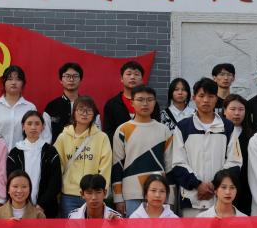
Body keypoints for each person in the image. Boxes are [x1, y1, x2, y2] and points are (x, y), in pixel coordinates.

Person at [169, 78, 242, 217]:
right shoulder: (183, 127)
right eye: (201, 96)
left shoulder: (227, 127)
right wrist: (197, 185)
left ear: (216, 99)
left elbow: (235, 162)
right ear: (194, 98)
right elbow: (178, 163)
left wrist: (215, 184)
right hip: (191, 199)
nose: (206, 100)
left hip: (220, 199)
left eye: (210, 96)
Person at [111, 86, 173, 217]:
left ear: (155, 102)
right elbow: (117, 166)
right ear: (132, 103)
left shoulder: (164, 130)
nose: (145, 103)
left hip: (158, 193)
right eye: (140, 100)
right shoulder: (123, 130)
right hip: (131, 193)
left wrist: (170, 197)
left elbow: (170, 166)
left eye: (149, 100)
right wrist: (118, 197)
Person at [54, 95, 112, 217]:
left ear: (94, 114)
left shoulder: (102, 137)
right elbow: (57, 167)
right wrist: (57, 191)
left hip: (93, 194)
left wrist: (100, 192)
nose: (84, 113)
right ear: (74, 113)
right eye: (80, 109)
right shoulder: (63, 137)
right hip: (69, 195)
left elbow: (105, 167)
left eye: (89, 110)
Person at [6, 110, 62, 218]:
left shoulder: (51, 151)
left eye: (37, 123)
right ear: (23, 126)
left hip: (46, 209)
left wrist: (41, 205)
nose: (33, 127)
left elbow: (55, 182)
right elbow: (10, 180)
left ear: (43, 127)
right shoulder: (15, 153)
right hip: (18, 208)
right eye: (29, 123)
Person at [0, 65, 50, 148]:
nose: (14, 82)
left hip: (23, 153)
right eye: (10, 79)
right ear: (4, 82)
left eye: (18, 79)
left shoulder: (30, 107)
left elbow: (36, 134)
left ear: (23, 83)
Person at [103, 60, 161, 142]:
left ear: (142, 80)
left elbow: (156, 128)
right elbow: (108, 133)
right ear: (121, 79)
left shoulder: (151, 103)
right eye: (129, 74)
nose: (132, 77)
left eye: (136, 74)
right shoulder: (112, 104)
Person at [222, 94, 253, 216]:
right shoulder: (218, 133)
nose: (237, 113)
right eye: (232, 109)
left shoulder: (252, 135)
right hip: (224, 186)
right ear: (224, 111)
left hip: (246, 187)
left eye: (241, 109)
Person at [44, 62, 87, 142]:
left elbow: (96, 135)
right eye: (67, 76)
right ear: (61, 80)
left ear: (80, 80)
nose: (71, 79)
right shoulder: (51, 107)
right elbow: (46, 138)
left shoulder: (89, 106)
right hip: (57, 149)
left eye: (75, 76)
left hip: (84, 149)